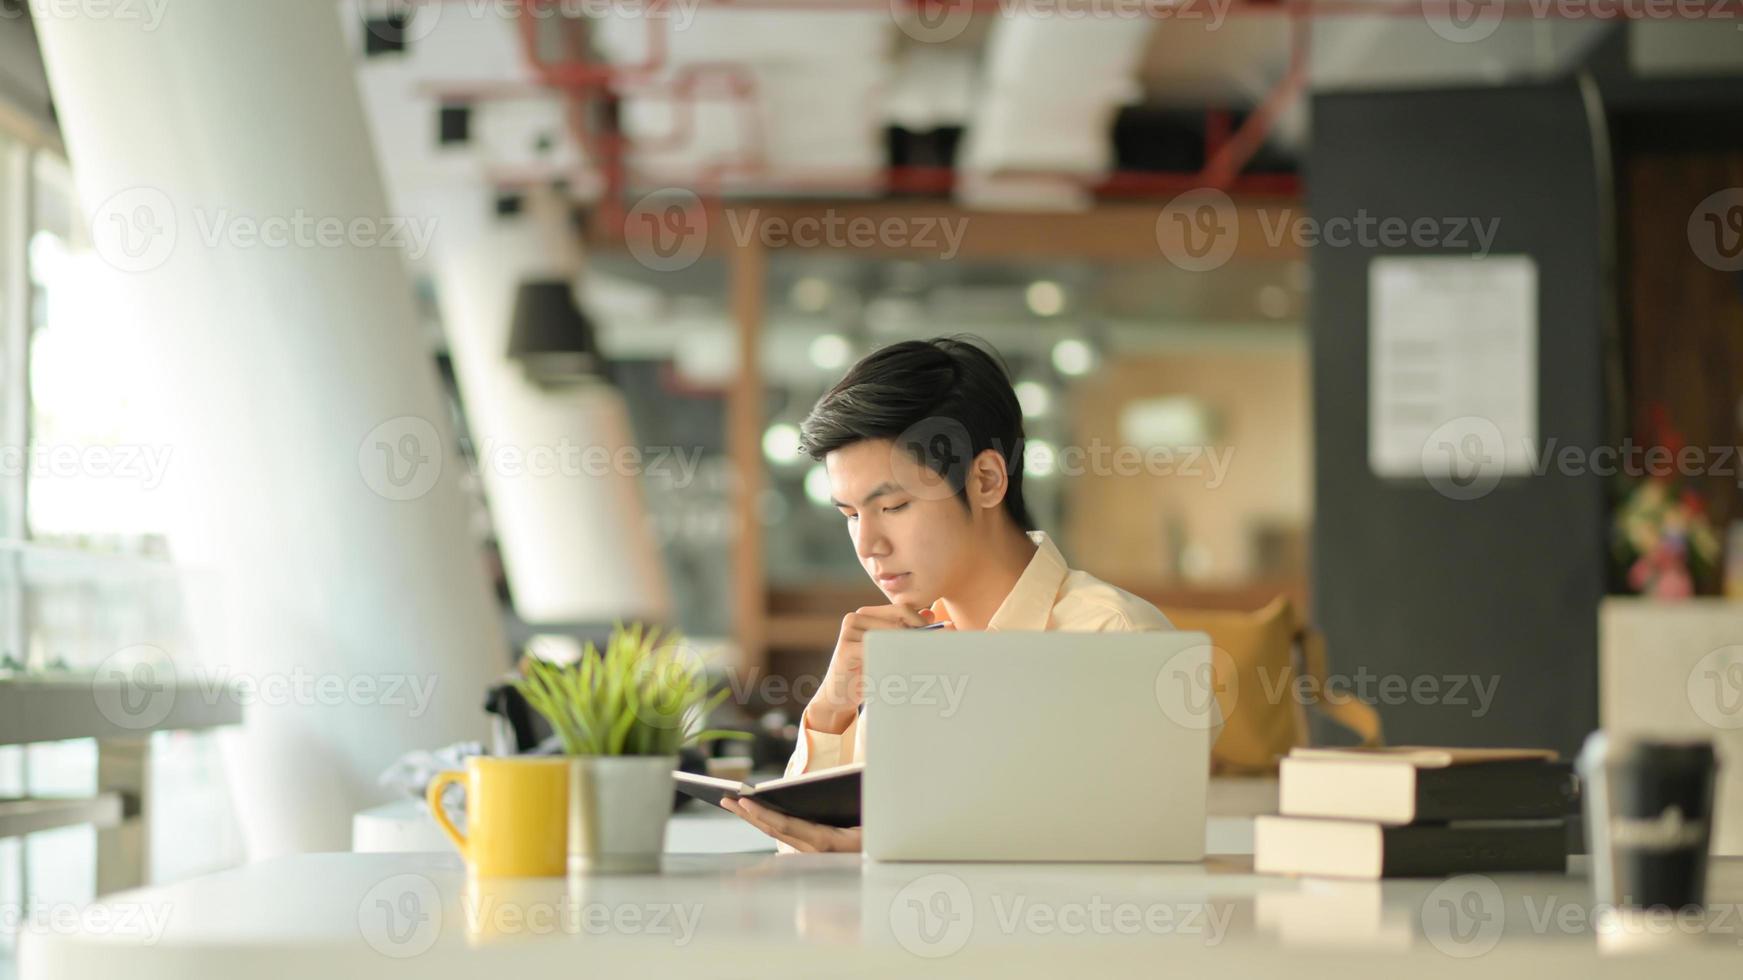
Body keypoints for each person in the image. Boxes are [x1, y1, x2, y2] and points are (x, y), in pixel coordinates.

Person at [723, 336, 1206, 852]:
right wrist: (831, 706)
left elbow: (1142, 854)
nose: (868, 545)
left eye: (893, 507)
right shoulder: (900, 654)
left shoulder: (1116, 637)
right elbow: (807, 851)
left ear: (987, 479)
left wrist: (900, 847)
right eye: (850, 515)